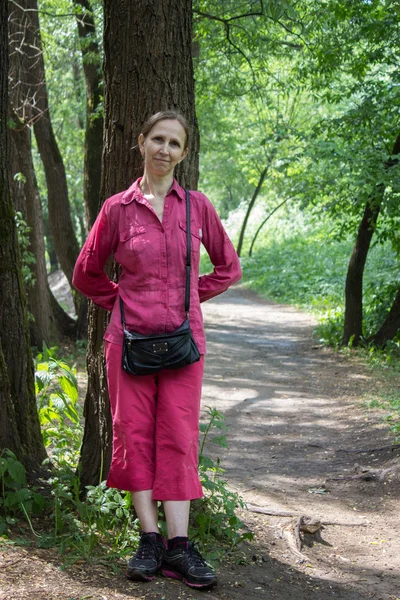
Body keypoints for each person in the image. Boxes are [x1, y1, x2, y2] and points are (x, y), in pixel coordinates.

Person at [73, 110, 241, 589]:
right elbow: (86, 273)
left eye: (175, 143)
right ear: (142, 142)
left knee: (178, 437)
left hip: (184, 346)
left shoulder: (198, 207)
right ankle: (149, 541)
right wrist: (123, 303)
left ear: (184, 153)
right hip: (128, 345)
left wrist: (188, 296)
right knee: (133, 435)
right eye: (157, 140)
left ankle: (180, 548)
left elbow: (228, 269)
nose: (164, 150)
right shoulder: (117, 209)